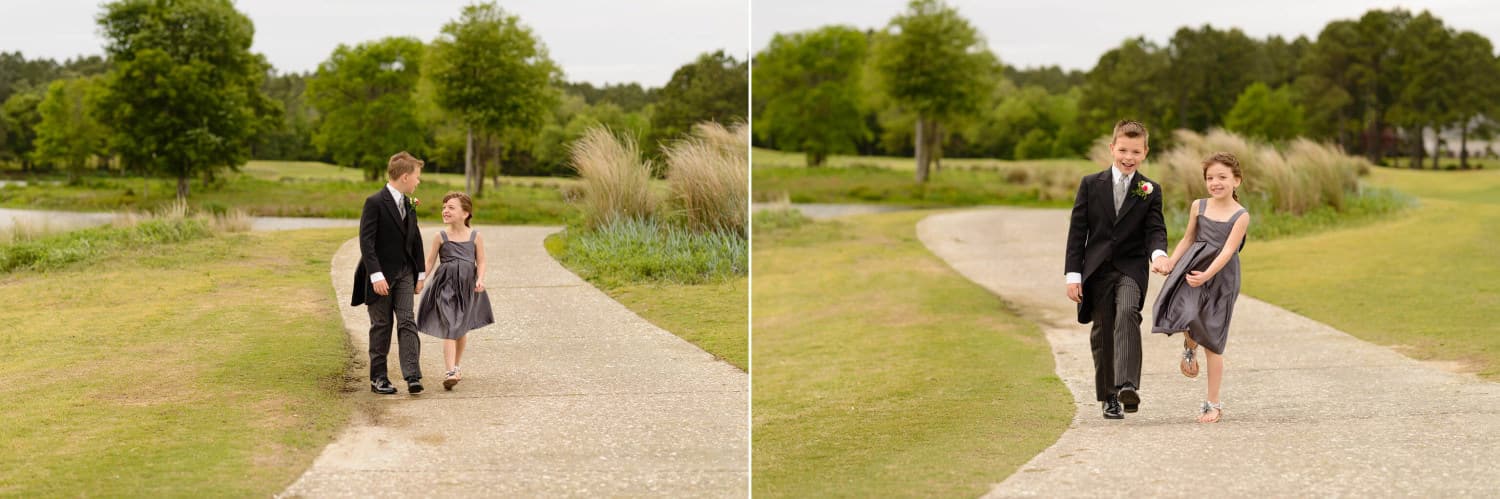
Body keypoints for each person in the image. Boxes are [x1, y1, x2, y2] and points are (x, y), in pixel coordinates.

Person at [1064, 119, 1169, 420]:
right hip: (1096, 270)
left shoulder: (1150, 190)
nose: (1128, 157)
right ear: (1112, 149)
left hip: (1131, 268)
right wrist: (1073, 275)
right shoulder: (1089, 184)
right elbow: (1077, 233)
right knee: (1103, 330)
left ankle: (1128, 387)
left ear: (1145, 152)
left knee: (1127, 313)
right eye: (1123, 149)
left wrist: (1158, 255)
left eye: (1135, 151)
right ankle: (1108, 397)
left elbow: (1155, 230)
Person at [1151, 152, 1250, 424]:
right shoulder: (1199, 206)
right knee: (1188, 312)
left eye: (1222, 177)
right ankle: (1189, 346)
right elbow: (1188, 238)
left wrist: (1207, 274)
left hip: (1221, 276)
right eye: (1210, 178)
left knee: (1213, 340)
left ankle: (1212, 404)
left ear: (1236, 181)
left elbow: (1229, 251)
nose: (1215, 182)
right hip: (1192, 268)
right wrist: (1171, 262)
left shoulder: (1241, 216)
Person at [352, 151, 427, 395]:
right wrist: (376, 275)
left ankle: (412, 375)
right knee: (382, 324)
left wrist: (421, 273)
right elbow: (367, 242)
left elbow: (415, 239)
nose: (418, 181)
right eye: (417, 177)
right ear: (405, 177)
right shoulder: (374, 202)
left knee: (407, 320)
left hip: (405, 272)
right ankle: (379, 378)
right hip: (380, 276)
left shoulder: (410, 203)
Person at [416, 192, 495, 390]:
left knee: (461, 327)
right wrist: (421, 280)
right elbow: (429, 262)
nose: (445, 210)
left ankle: (456, 366)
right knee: (450, 324)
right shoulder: (440, 237)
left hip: (467, 287)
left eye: (451, 207)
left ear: (465, 213)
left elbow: (482, 261)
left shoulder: (475, 236)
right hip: (445, 287)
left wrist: (480, 279)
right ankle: (450, 370)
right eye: (444, 207)